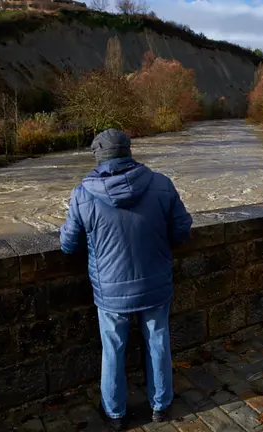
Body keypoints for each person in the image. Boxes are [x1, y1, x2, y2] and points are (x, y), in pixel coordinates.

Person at [60, 128, 193, 431]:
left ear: (98, 156)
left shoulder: (82, 194)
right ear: (129, 152)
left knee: (113, 348)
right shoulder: (160, 184)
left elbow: (68, 245)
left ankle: (115, 413)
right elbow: (182, 230)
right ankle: (160, 406)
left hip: (110, 290)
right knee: (158, 342)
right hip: (155, 282)